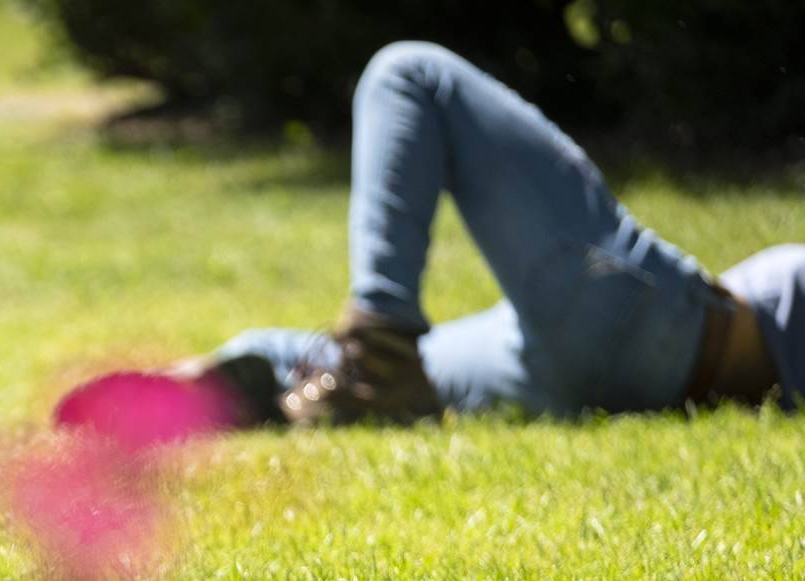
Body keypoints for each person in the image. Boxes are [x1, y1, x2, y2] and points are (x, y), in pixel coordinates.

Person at [182, 42, 801, 426]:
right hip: (561, 365)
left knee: (411, 74)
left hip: (656, 325)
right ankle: (201, 384)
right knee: (390, 376)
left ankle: (376, 345)